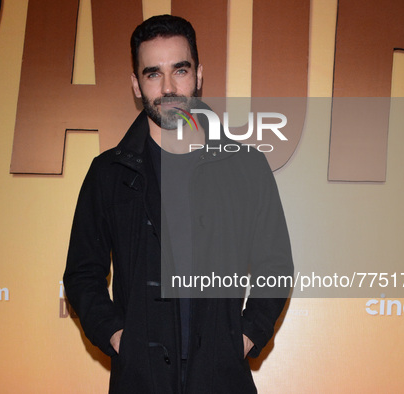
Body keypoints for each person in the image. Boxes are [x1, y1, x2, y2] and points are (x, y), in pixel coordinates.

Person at [64, 15, 293, 394]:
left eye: (180, 70)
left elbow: (276, 265)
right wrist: (119, 337)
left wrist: (246, 336)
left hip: (223, 379)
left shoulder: (246, 166)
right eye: (153, 74)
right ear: (135, 84)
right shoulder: (109, 173)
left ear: (198, 75)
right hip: (140, 380)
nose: (168, 87)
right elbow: (81, 274)